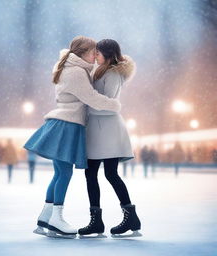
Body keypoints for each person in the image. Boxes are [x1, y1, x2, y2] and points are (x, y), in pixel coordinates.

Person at [24, 36, 121, 239]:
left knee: (59, 173)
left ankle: (47, 215)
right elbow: (91, 98)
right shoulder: (76, 72)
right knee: (64, 173)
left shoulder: (73, 68)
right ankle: (57, 218)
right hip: (67, 125)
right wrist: (114, 104)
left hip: (64, 123)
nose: (95, 56)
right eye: (93, 52)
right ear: (84, 53)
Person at [78, 39, 141, 238]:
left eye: (98, 53)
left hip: (108, 130)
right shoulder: (101, 70)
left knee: (110, 174)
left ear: (108, 54)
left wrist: (87, 100)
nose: (95, 56)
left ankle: (130, 217)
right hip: (98, 130)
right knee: (92, 174)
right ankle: (96, 221)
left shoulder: (112, 73)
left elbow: (108, 103)